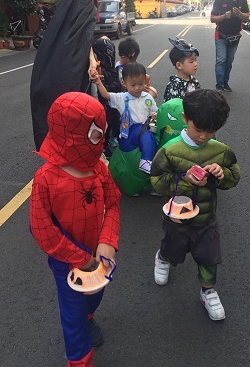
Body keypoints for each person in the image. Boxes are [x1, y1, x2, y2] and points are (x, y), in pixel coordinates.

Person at [29, 91, 121, 367]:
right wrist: (80, 257)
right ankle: (79, 361)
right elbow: (42, 229)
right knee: (72, 314)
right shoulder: (46, 178)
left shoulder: (99, 169)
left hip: (99, 255)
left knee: (95, 295)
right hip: (65, 260)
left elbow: (113, 202)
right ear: (70, 134)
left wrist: (108, 241)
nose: (101, 141)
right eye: (95, 135)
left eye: (103, 132)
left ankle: (89, 315)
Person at [150, 89, 241, 321]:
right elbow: (157, 181)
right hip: (177, 217)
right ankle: (163, 257)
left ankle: (207, 291)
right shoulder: (170, 150)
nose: (203, 136)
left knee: (209, 256)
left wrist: (221, 174)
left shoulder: (220, 150)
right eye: (198, 129)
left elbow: (234, 176)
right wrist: (185, 180)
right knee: (174, 247)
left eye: (210, 131)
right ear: (185, 118)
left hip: (206, 218)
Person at [30, 0, 110, 151]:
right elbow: (76, 41)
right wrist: (87, 63)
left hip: (53, 62)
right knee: (70, 110)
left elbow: (81, 38)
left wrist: (90, 59)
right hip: (66, 69)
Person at [92, 62, 158, 174]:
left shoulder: (147, 97)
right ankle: (146, 161)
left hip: (144, 131)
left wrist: (154, 116)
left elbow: (155, 112)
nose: (137, 88)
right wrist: (98, 82)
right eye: (133, 85)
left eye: (141, 84)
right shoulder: (121, 98)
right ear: (124, 83)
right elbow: (106, 95)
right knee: (146, 134)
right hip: (129, 134)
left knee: (149, 135)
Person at [210, 0, 249, 92]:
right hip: (220, 35)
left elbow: (246, 18)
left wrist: (239, 14)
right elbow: (212, 19)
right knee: (221, 60)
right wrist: (224, 16)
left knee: (229, 61)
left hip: (235, 36)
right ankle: (219, 85)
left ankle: (225, 83)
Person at [92, 35, 121, 157]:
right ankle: (103, 148)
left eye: (111, 51)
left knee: (116, 121)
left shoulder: (112, 68)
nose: (110, 55)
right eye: (107, 52)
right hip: (103, 104)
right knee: (105, 125)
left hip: (114, 102)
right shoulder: (96, 70)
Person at [163, 37, 201, 102]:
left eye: (196, 60)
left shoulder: (194, 81)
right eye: (191, 61)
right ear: (179, 65)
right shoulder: (174, 86)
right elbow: (171, 106)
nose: (195, 64)